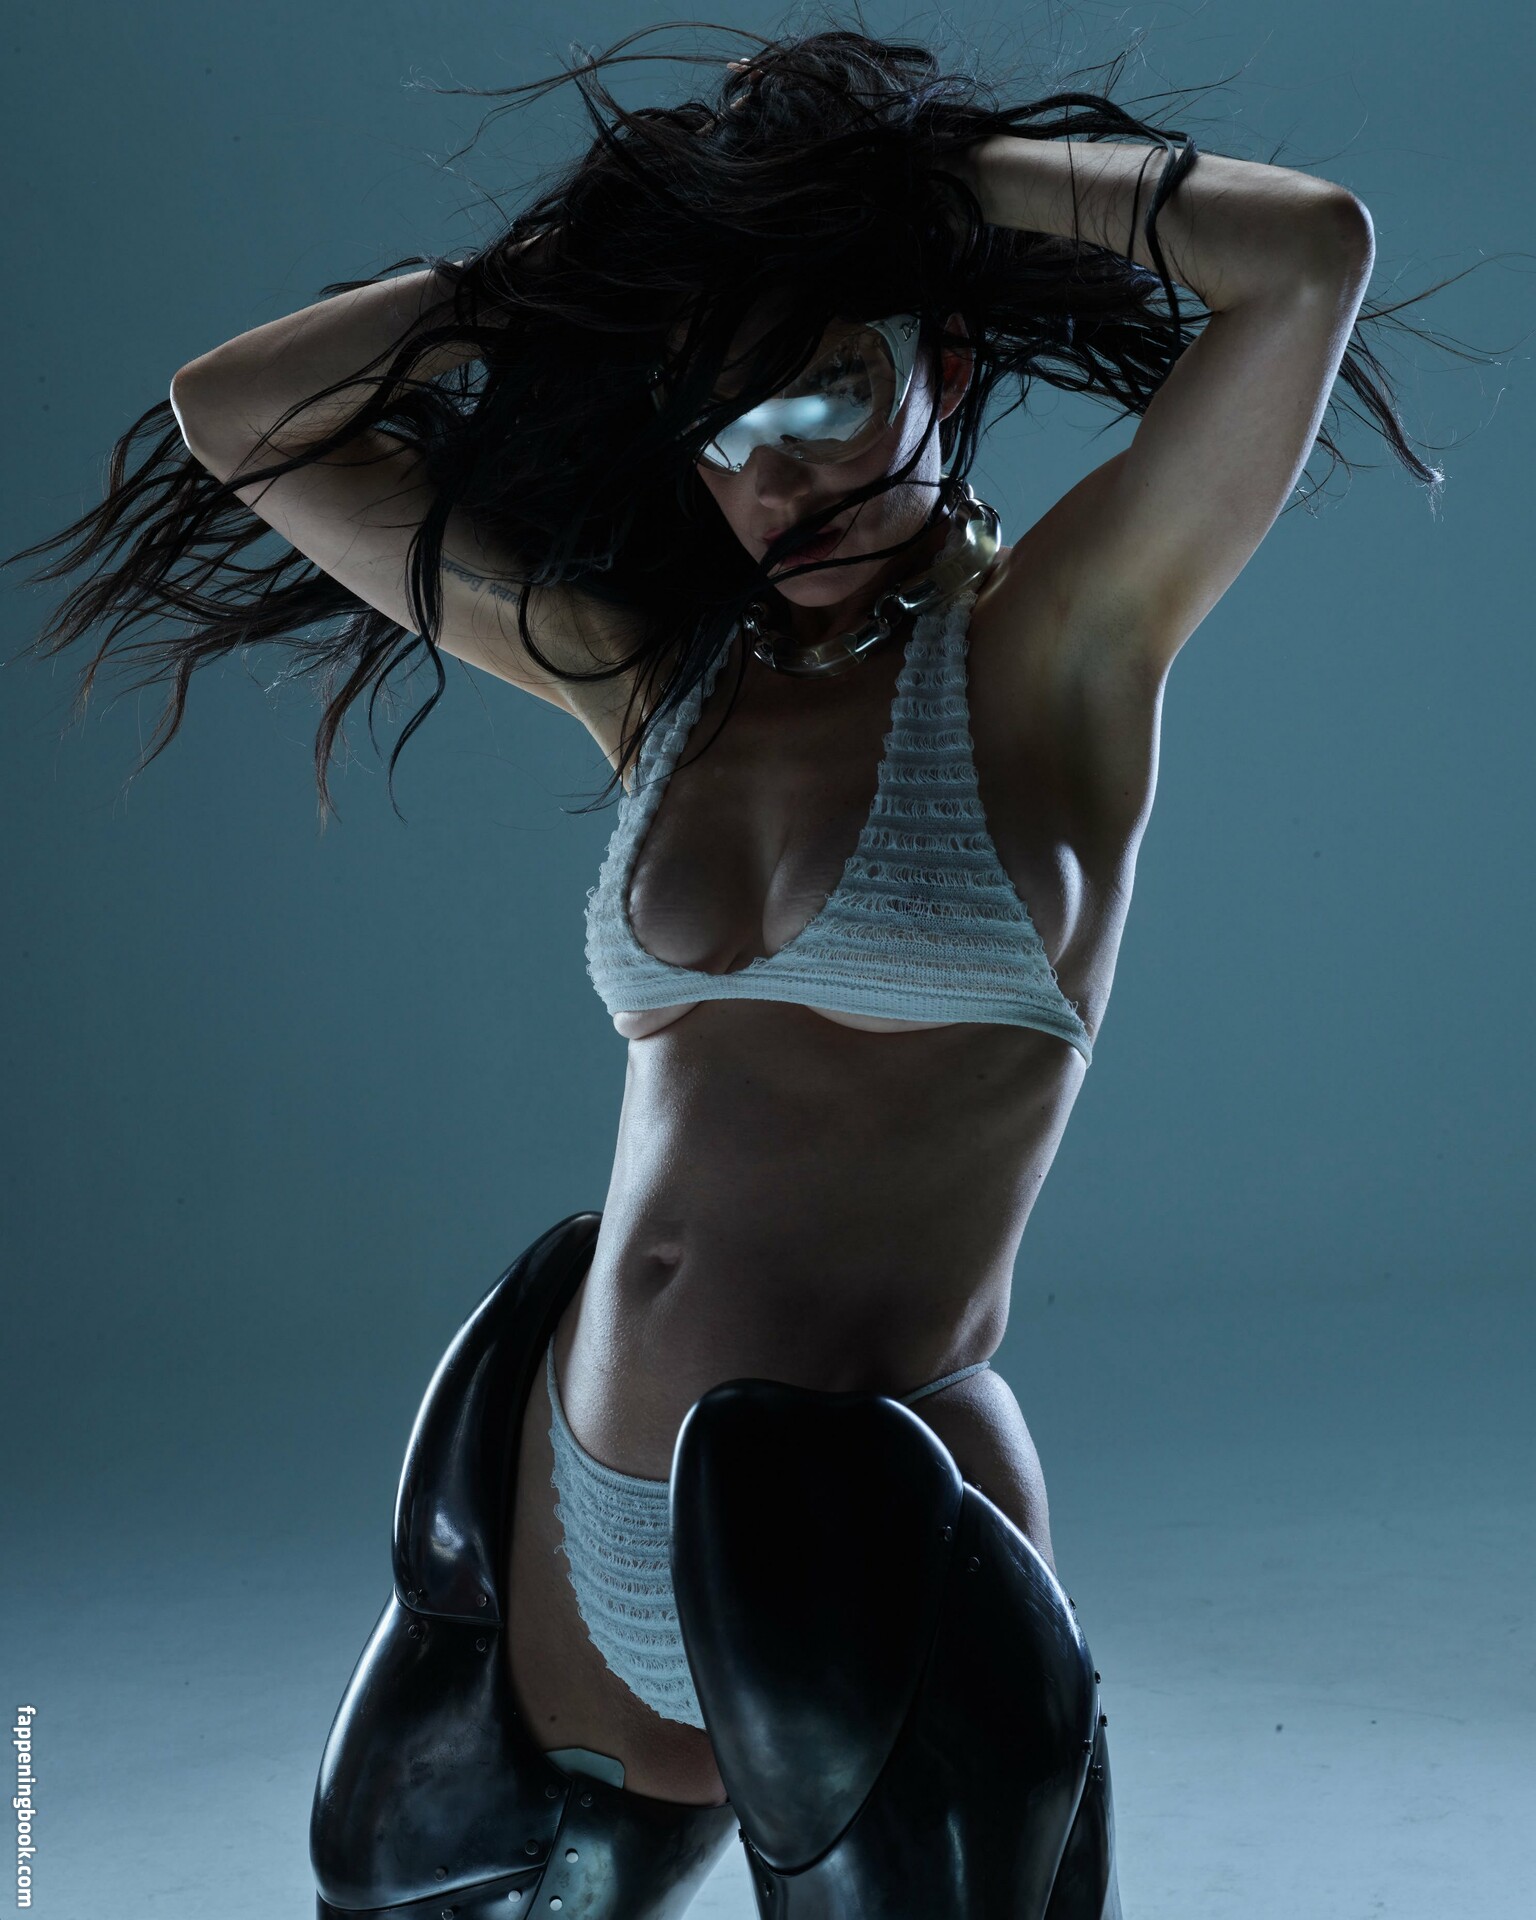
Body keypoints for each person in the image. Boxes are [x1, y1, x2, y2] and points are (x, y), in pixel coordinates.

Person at [7, 22, 1456, 1919]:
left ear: (942, 366)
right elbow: (240, 418)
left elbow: (1308, 258)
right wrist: (570, 274)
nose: (774, 477)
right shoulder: (652, 680)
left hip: (855, 1545)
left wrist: (913, 187)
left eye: (825, 394)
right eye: (720, 429)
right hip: (559, 1512)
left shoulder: (1063, 652)